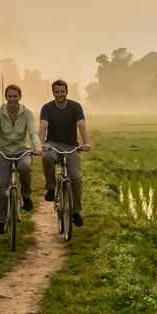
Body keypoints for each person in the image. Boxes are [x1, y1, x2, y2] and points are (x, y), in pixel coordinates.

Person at [0, 83, 41, 234]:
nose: (12, 99)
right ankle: (1, 222)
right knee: (2, 188)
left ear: (20, 97)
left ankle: (26, 196)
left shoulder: (27, 113)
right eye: (10, 96)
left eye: (15, 96)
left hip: (22, 150)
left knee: (25, 167)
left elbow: (33, 132)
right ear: (6, 97)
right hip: (3, 152)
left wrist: (37, 146)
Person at [39, 79, 92, 227]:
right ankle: (50, 188)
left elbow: (81, 124)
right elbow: (43, 125)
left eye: (62, 91)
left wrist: (86, 142)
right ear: (53, 92)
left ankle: (75, 212)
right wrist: (40, 144)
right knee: (48, 157)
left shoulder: (75, 107)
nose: (60, 94)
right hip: (53, 144)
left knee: (75, 177)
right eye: (57, 91)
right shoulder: (47, 108)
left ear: (67, 92)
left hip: (71, 146)